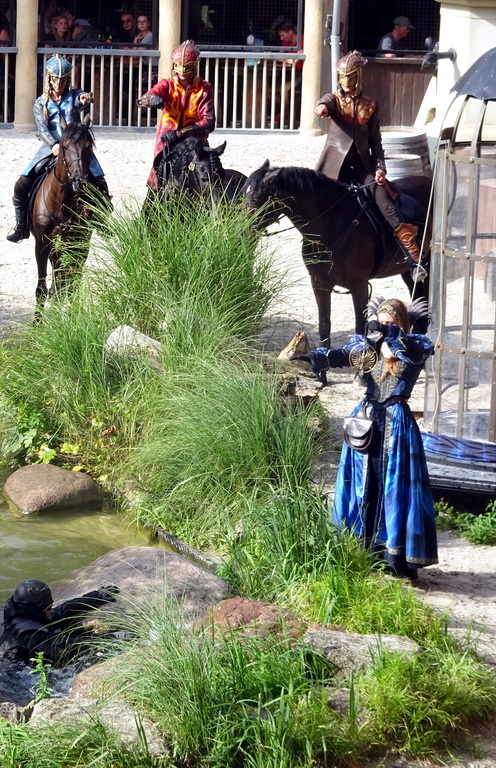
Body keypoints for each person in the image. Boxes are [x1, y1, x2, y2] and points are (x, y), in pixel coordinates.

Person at [290, 296, 438, 580]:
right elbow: (344, 355)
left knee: (394, 487)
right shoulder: (367, 345)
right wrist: (316, 357)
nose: (384, 326)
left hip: (397, 422)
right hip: (367, 418)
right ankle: (362, 549)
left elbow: (412, 355)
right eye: (381, 322)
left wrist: (390, 334)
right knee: (361, 484)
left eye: (391, 322)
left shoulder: (417, 343)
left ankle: (395, 558)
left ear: (402, 323)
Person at [314, 51, 423, 269]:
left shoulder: (370, 105)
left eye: (350, 76)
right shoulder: (334, 100)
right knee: (315, 203)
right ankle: (313, 251)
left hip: (363, 167)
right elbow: (326, 101)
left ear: (359, 75)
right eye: (342, 77)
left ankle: (412, 253)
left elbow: (375, 142)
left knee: (385, 201)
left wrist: (380, 168)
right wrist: (321, 106)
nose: (346, 82)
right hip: (334, 168)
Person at [6, 54, 109, 243]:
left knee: (99, 180)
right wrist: (53, 145)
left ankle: (102, 221)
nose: (59, 83)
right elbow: (42, 129)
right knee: (22, 184)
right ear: (49, 78)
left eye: (62, 80)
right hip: (50, 147)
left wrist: (87, 98)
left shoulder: (73, 96)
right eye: (55, 79)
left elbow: (83, 98)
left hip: (76, 147)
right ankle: (21, 226)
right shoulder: (40, 103)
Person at [136, 40, 216, 192]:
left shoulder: (204, 88)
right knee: (158, 174)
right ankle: (153, 203)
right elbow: (148, 96)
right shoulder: (167, 84)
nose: (183, 73)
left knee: (209, 170)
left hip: (195, 139)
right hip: (167, 140)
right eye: (179, 67)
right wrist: (153, 98)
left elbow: (209, 121)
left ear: (195, 66)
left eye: (187, 68)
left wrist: (181, 132)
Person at [0, 580, 119, 665]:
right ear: (35, 609)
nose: (51, 610)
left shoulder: (25, 613)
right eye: (47, 608)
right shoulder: (28, 633)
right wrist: (112, 640)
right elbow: (67, 647)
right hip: (14, 676)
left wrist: (95, 596)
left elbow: (62, 612)